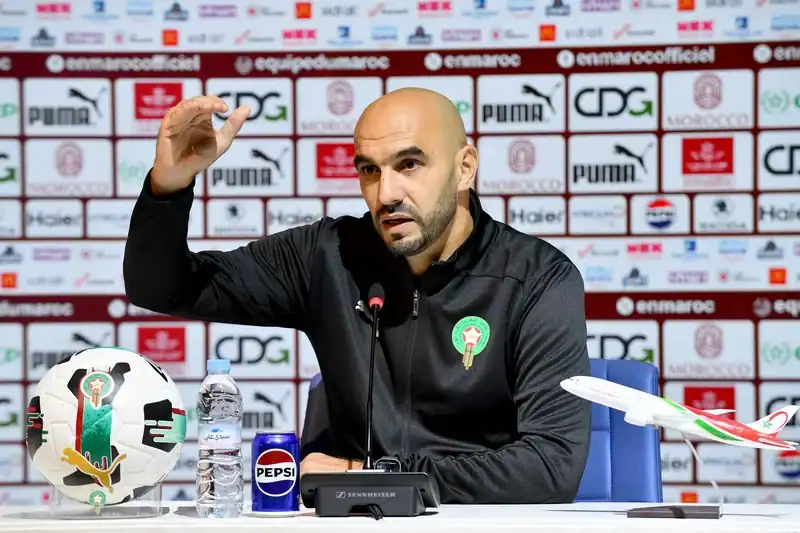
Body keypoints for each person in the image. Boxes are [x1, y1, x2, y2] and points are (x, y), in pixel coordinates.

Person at [123, 88, 592, 504]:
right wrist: (168, 187)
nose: (386, 193)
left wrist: (379, 476)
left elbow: (552, 466)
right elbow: (160, 288)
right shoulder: (327, 257)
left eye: (409, 165)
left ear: (464, 168)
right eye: (369, 170)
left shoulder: (537, 279)